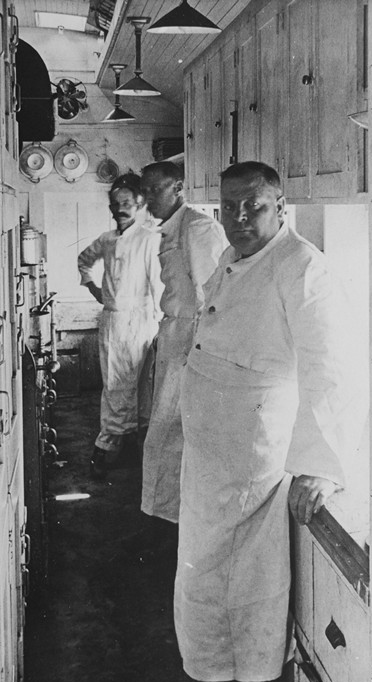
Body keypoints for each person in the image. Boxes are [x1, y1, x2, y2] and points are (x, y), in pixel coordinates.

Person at [165, 162, 367, 682]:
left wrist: (317, 467)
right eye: (229, 206)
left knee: (237, 602)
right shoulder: (232, 257)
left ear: (280, 205)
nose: (239, 218)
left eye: (252, 206)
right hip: (210, 462)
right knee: (199, 590)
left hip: (253, 467)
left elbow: (334, 368)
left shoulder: (301, 266)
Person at [139, 162, 226, 522]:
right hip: (175, 335)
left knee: (173, 432)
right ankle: (164, 516)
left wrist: (199, 357)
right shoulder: (172, 228)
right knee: (164, 430)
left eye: (154, 191)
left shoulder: (198, 229)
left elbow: (213, 300)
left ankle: (174, 520)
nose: (147, 200)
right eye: (144, 192)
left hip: (191, 343)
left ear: (178, 187)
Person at [78, 173, 163, 479]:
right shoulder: (107, 239)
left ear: (141, 203)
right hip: (113, 320)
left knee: (140, 386)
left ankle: (131, 447)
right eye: (115, 203)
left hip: (142, 320)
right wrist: (93, 288)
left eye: (126, 202)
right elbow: (84, 260)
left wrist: (161, 327)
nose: (119, 209)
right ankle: (109, 446)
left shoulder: (150, 239)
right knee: (115, 384)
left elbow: (159, 287)